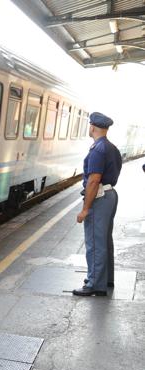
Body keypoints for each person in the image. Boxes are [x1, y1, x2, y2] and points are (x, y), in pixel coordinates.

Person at [73, 112, 122, 296]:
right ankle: (106, 279)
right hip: (110, 195)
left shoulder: (98, 149)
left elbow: (94, 180)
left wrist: (85, 208)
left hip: (100, 197)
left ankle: (94, 284)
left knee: (95, 241)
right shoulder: (111, 147)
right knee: (105, 240)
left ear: (93, 127)